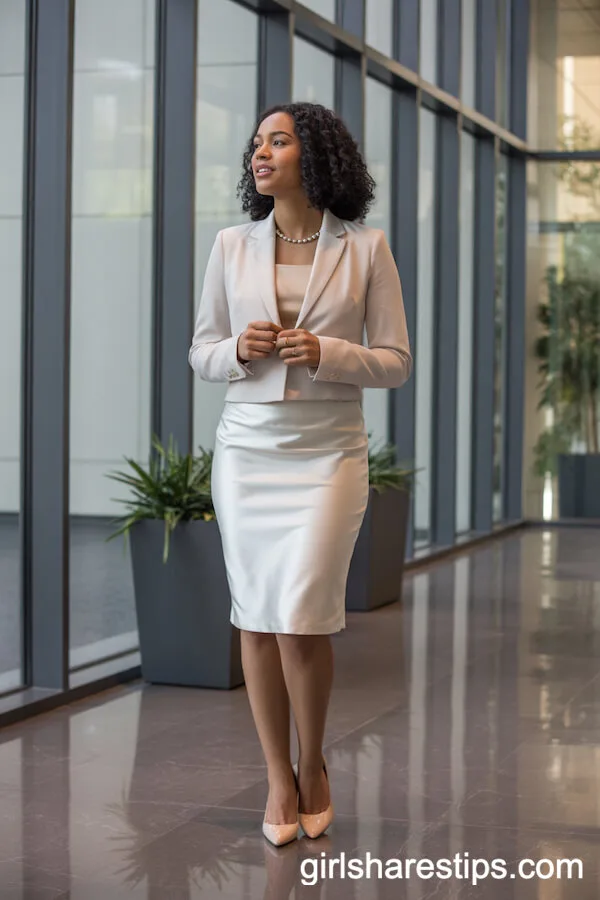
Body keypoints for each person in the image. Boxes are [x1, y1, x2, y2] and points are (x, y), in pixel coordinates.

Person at [188, 102, 412, 847]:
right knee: (255, 613)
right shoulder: (230, 245)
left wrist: (327, 352)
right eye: (257, 143)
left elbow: (396, 362)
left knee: (303, 616)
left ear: (314, 155)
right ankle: (278, 781)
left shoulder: (367, 248)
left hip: (328, 454)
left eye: (277, 141)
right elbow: (202, 351)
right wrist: (237, 351)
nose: (261, 153)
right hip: (248, 449)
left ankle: (313, 764)